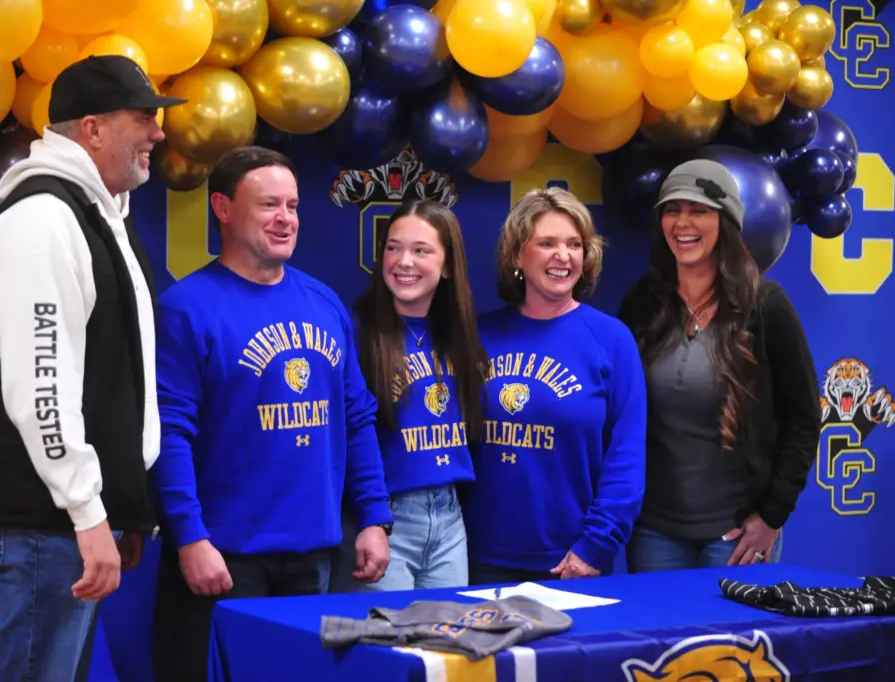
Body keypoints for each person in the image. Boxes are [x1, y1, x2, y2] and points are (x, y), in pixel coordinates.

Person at [0, 55, 185, 682]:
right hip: (43, 523)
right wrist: (87, 511)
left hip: (65, 519)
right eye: (143, 118)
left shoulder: (95, 215)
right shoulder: (41, 223)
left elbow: (110, 372)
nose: (158, 133)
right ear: (93, 128)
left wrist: (119, 505)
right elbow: (41, 389)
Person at [149, 145, 394, 681]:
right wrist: (189, 537)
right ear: (222, 208)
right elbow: (168, 434)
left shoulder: (324, 303)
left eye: (293, 206)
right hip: (221, 559)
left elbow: (356, 418)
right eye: (268, 205)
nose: (285, 218)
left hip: (312, 558)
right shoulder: (187, 308)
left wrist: (374, 518)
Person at [617, 159, 820, 571]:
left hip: (736, 535)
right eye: (672, 209)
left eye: (699, 210)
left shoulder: (766, 306)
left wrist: (772, 516)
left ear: (725, 221)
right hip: (655, 532)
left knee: (735, 620)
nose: (682, 222)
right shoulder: (642, 302)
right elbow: (620, 412)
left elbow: (804, 417)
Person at [462, 187, 647, 585]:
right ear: (517, 255)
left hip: (571, 561)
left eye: (574, 244)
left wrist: (594, 546)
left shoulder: (611, 340)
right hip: (480, 556)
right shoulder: (479, 336)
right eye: (546, 243)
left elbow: (626, 457)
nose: (563, 256)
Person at [331, 199, 489, 592]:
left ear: (448, 265)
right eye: (393, 247)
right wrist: (371, 519)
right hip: (385, 520)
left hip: (450, 520)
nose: (404, 262)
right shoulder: (356, 331)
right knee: (383, 632)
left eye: (421, 250)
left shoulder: (461, 334)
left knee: (447, 631)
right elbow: (348, 436)